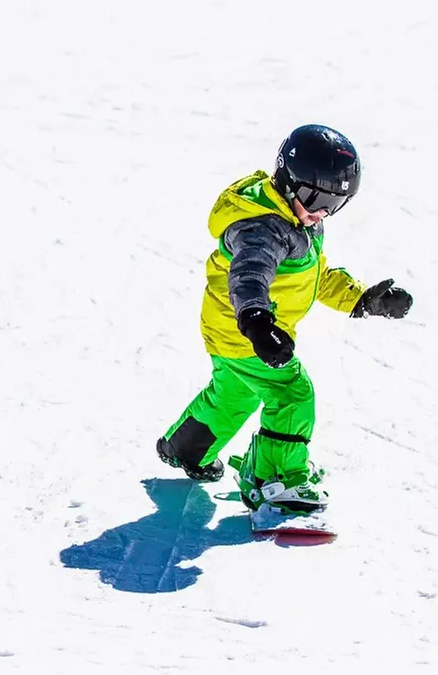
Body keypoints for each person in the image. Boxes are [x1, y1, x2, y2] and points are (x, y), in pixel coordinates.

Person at [155, 124, 413, 528]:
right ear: (287, 181)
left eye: (335, 204)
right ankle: (273, 479)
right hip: (244, 328)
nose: (322, 211)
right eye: (315, 197)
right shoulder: (263, 228)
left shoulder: (301, 223)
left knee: (234, 395)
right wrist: (257, 322)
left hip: (232, 329)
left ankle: (188, 448)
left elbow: (316, 277)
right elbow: (249, 275)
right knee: (292, 394)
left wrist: (363, 299)